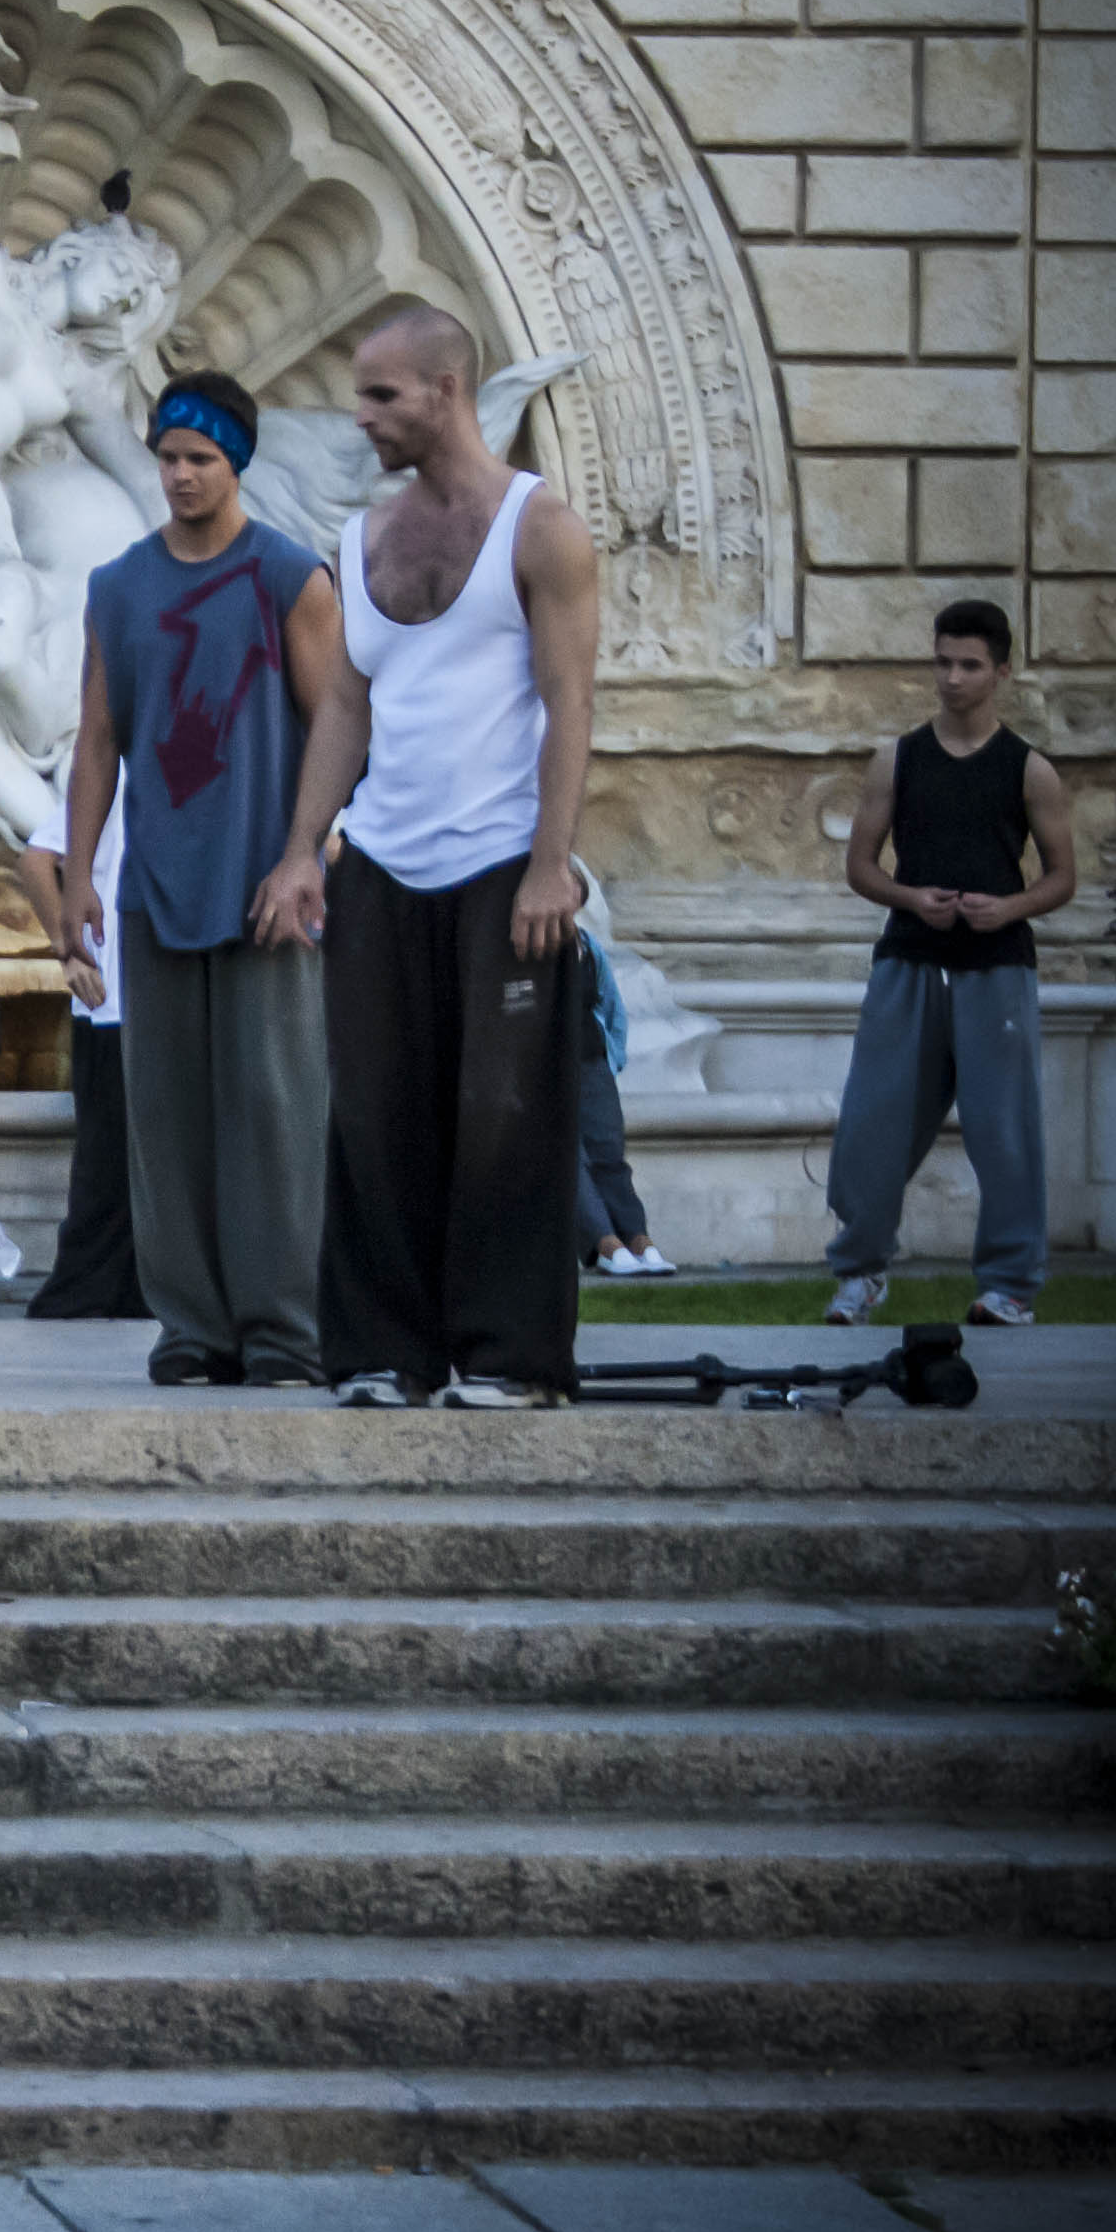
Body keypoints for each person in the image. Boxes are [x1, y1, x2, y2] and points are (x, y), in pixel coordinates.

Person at [257, 308, 605, 1410]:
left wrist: (556, 861)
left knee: (504, 1119)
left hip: (504, 864)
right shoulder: (360, 544)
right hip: (385, 866)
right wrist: (303, 850)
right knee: (371, 1114)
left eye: (381, 397)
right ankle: (379, 1352)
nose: (361, 420)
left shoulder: (540, 530)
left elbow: (571, 705)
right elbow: (347, 710)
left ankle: (507, 1357)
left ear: (447, 391)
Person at [60, 369, 335, 1384]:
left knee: (272, 1111)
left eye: (200, 460)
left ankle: (282, 1331)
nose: (179, 476)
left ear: (237, 464)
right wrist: (79, 876)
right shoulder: (119, 586)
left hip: (268, 885)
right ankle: (192, 1328)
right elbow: (97, 738)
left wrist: (306, 852)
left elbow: (337, 724)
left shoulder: (288, 577)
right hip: (156, 886)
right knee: (166, 1120)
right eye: (168, 457)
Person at [821, 599, 1075, 1328]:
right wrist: (910, 896)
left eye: (969, 665)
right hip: (908, 962)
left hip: (997, 967)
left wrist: (1009, 908)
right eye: (943, 662)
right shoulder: (896, 759)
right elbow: (859, 867)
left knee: (1005, 1132)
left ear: (1001, 670)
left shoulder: (1031, 770)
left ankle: (1010, 1287)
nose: (953, 678)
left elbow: (1062, 878)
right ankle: (860, 1274)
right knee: (871, 1126)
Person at [17, 789, 142, 1321]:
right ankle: (92, 1285)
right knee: (108, 1157)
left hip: (158, 997)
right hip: (113, 997)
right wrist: (67, 949)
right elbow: (37, 858)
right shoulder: (119, 783)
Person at [574, 865, 671, 1280]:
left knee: (608, 1154)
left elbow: (610, 1006)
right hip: (542, 1070)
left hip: (591, 1061)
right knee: (569, 1157)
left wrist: (612, 1057)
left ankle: (638, 1238)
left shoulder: (586, 945)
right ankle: (604, 1243)